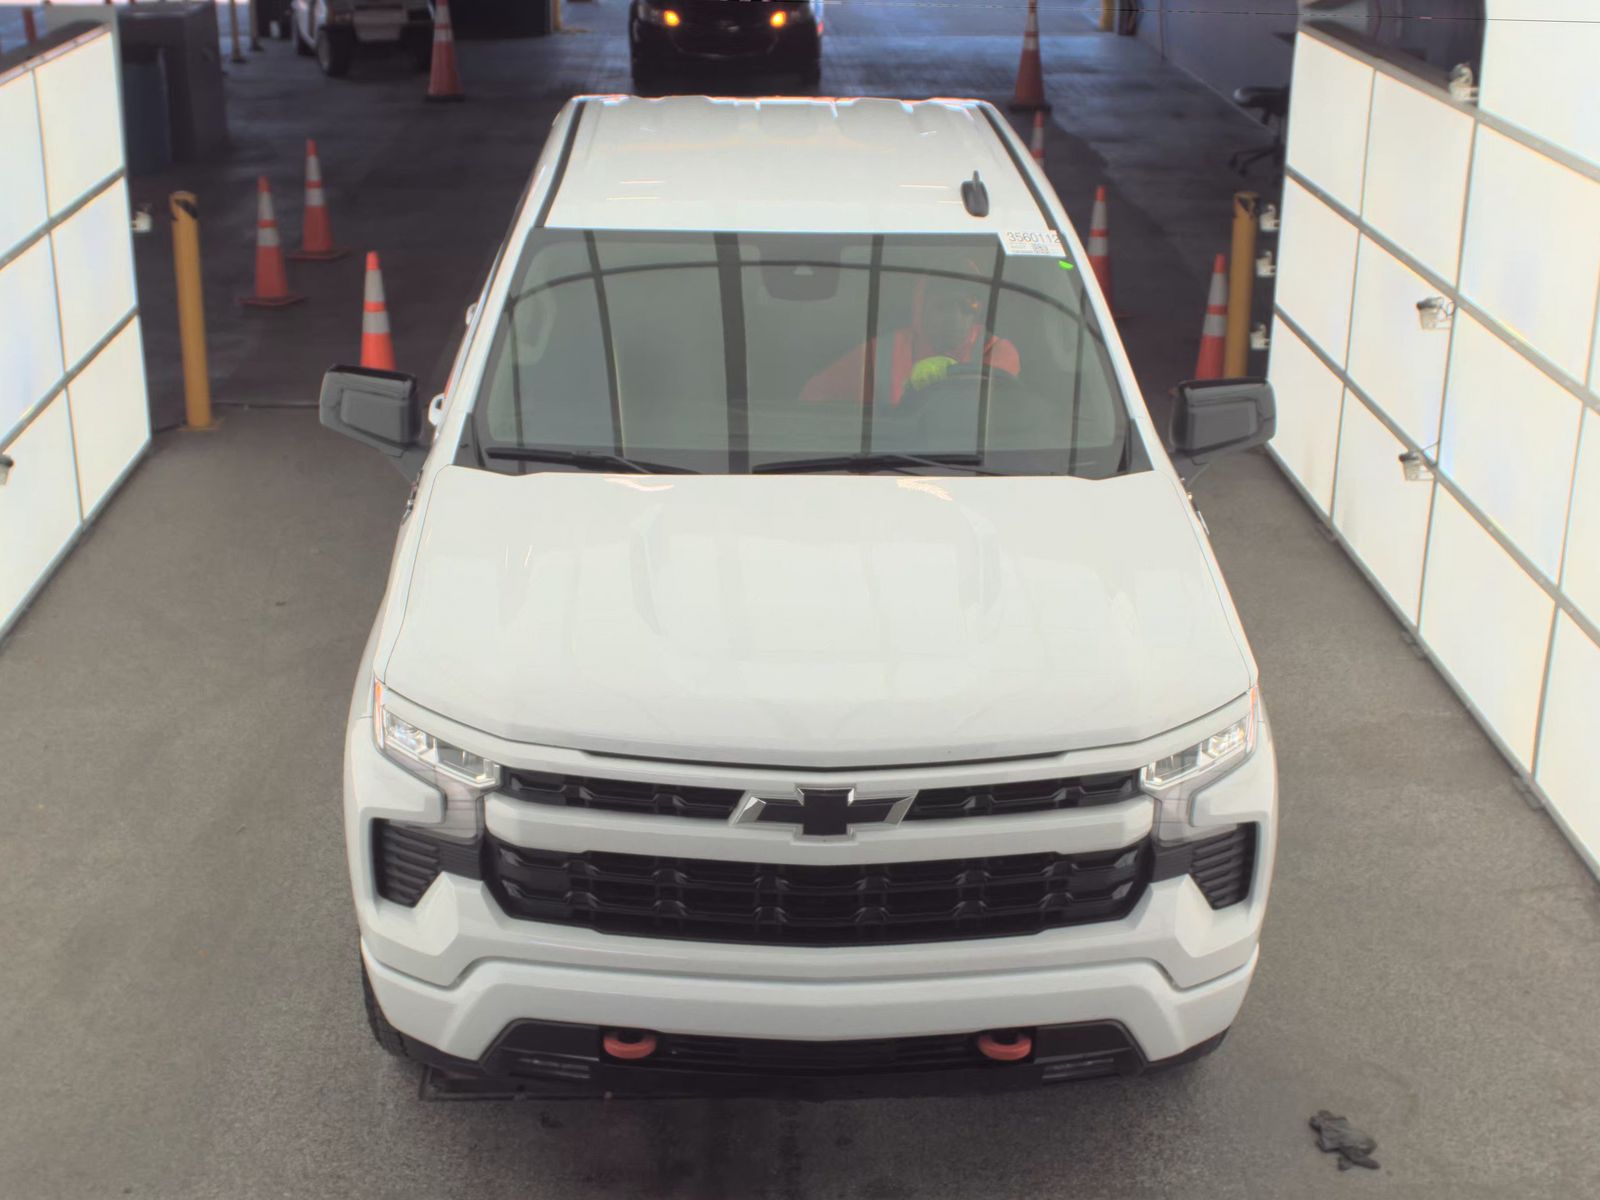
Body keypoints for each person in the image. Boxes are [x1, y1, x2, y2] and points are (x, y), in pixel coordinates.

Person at [800, 273, 1020, 407]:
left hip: (971, 462)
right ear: (920, 311)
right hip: (886, 459)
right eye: (942, 306)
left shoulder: (997, 350)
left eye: (966, 307)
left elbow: (1000, 403)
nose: (955, 317)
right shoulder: (885, 350)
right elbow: (814, 395)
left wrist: (951, 372)